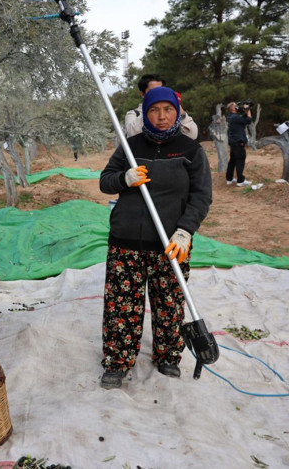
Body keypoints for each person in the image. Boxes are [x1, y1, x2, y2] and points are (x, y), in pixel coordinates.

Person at [98, 86, 212, 390]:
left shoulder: (191, 150)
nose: (161, 117)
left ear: (178, 112)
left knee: (170, 304)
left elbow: (201, 197)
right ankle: (118, 361)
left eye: (168, 110)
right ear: (144, 113)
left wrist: (186, 230)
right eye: (153, 110)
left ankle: (168, 355)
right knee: (121, 306)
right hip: (126, 242)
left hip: (171, 244)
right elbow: (105, 182)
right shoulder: (129, 145)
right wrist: (125, 178)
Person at [124, 73, 198, 139]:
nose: (158, 93)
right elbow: (132, 134)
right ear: (143, 94)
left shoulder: (174, 111)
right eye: (153, 91)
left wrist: (182, 114)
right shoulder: (133, 114)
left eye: (161, 89)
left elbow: (192, 135)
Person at [224, 101, 253, 187]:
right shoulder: (235, 117)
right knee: (240, 160)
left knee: (232, 160)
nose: (238, 107)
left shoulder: (230, 116)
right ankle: (240, 181)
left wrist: (246, 110)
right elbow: (249, 120)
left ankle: (229, 179)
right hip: (238, 141)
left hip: (233, 141)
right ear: (233, 108)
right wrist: (247, 110)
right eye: (236, 106)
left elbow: (242, 118)